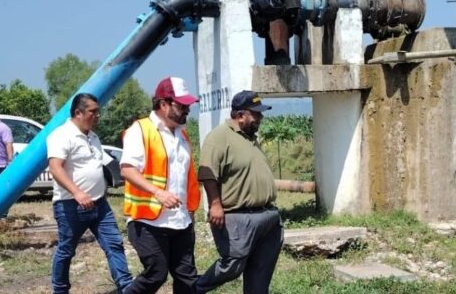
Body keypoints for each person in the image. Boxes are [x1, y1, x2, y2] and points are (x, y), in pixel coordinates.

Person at [195, 90, 284, 294]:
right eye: (256, 114)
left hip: (267, 216)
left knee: (261, 271)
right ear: (240, 115)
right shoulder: (219, 137)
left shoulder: (250, 138)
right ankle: (195, 289)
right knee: (232, 266)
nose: (260, 118)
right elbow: (208, 173)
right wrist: (215, 205)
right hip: (239, 216)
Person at [121, 77, 201, 294]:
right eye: (182, 105)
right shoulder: (141, 130)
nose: (187, 110)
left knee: (187, 279)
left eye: (188, 106)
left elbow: (187, 178)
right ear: (164, 104)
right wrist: (158, 192)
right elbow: (127, 169)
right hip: (147, 221)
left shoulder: (182, 134)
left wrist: (190, 211)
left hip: (180, 221)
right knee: (156, 273)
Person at [46, 93, 132, 294]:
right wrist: (77, 193)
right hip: (71, 205)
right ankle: (60, 290)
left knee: (114, 244)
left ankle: (127, 286)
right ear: (78, 112)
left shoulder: (93, 137)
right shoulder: (61, 135)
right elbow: (55, 167)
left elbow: (103, 163)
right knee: (66, 250)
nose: (97, 116)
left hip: (100, 205)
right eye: (93, 112)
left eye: (97, 112)